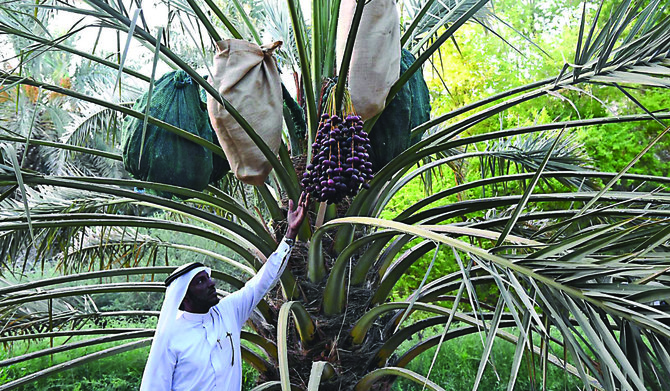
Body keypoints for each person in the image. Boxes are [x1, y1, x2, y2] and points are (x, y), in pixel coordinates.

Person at [140, 193, 309, 390]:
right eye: (201, 281)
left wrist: (290, 234)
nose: (211, 283)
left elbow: (262, 282)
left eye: (208, 277)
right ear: (184, 295)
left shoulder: (228, 311)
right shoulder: (170, 337)